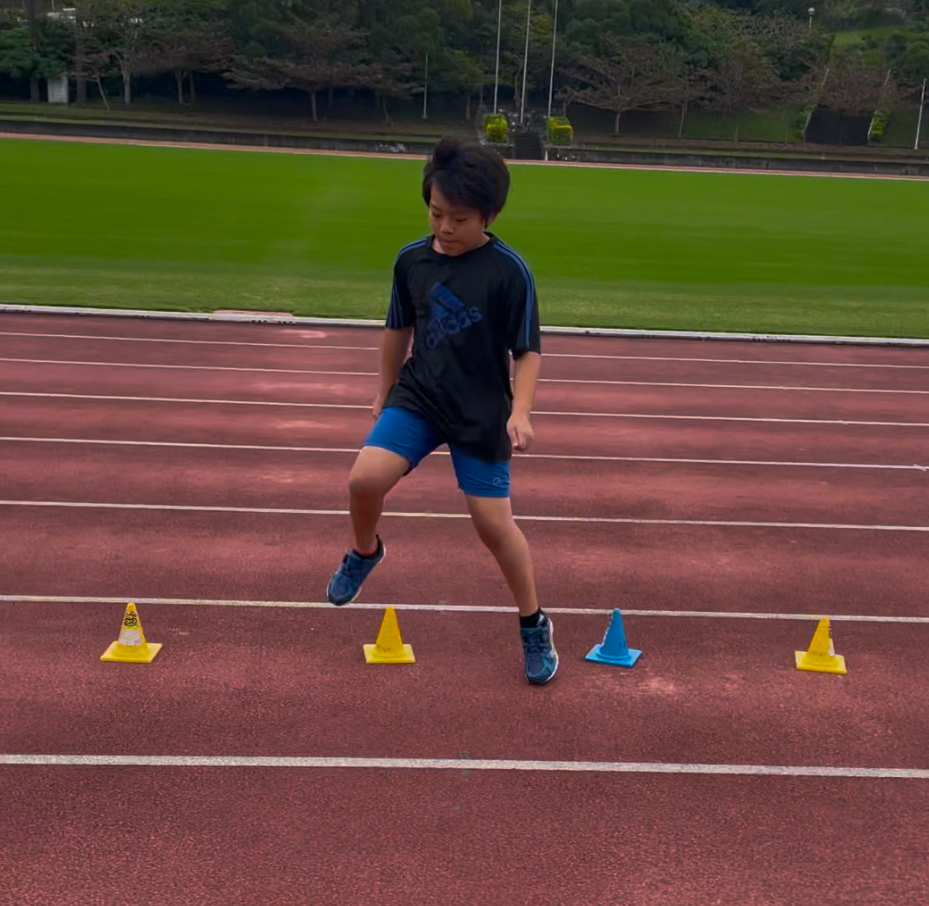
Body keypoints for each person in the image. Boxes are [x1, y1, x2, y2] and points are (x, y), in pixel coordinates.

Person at [326, 135, 557, 685]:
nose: (445, 229)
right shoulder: (412, 260)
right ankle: (364, 552)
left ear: (489, 215)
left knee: (492, 525)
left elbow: (527, 351)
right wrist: (384, 389)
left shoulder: (509, 272)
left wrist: (521, 411)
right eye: (436, 214)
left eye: (458, 219)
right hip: (421, 396)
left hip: (480, 409)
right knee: (363, 481)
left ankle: (534, 624)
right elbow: (397, 329)